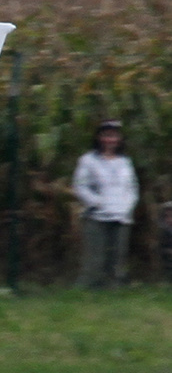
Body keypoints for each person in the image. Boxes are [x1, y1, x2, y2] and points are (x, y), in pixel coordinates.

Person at [72, 120, 138, 288]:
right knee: (95, 257)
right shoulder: (88, 160)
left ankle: (114, 289)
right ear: (100, 137)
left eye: (115, 136)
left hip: (121, 216)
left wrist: (127, 205)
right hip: (97, 216)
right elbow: (80, 186)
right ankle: (87, 290)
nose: (111, 140)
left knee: (118, 258)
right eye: (107, 135)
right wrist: (97, 202)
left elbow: (132, 187)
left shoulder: (125, 161)